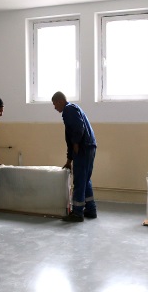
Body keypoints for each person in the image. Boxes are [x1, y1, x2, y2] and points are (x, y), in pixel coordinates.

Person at [51, 91, 97, 222]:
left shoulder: (68, 109)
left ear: (60, 101)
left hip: (83, 147)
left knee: (80, 180)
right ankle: (91, 209)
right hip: (89, 146)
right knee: (85, 178)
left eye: (55, 104)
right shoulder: (73, 109)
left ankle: (77, 213)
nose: (55, 108)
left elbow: (78, 128)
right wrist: (69, 160)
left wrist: (76, 142)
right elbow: (70, 140)